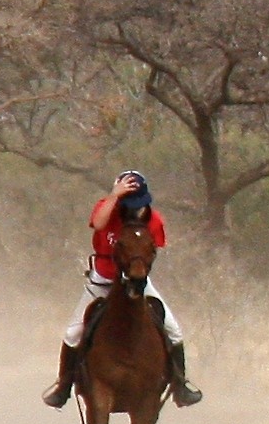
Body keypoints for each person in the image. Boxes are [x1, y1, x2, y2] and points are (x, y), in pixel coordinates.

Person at [43, 171, 203, 408]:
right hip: (103, 280)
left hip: (136, 280)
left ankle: (180, 385)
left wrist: (138, 276)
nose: (133, 210)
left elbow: (154, 249)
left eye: (137, 203)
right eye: (128, 204)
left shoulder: (153, 219)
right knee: (73, 333)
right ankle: (64, 387)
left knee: (174, 330)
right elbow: (98, 223)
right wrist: (114, 195)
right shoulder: (105, 209)